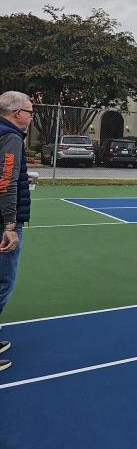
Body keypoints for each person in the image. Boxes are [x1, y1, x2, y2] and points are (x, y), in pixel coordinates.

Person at [0, 91, 34, 373]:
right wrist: (10, 226)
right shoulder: (10, 137)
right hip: (3, 223)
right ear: (17, 113)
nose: (32, 117)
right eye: (31, 111)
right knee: (3, 283)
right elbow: (6, 182)